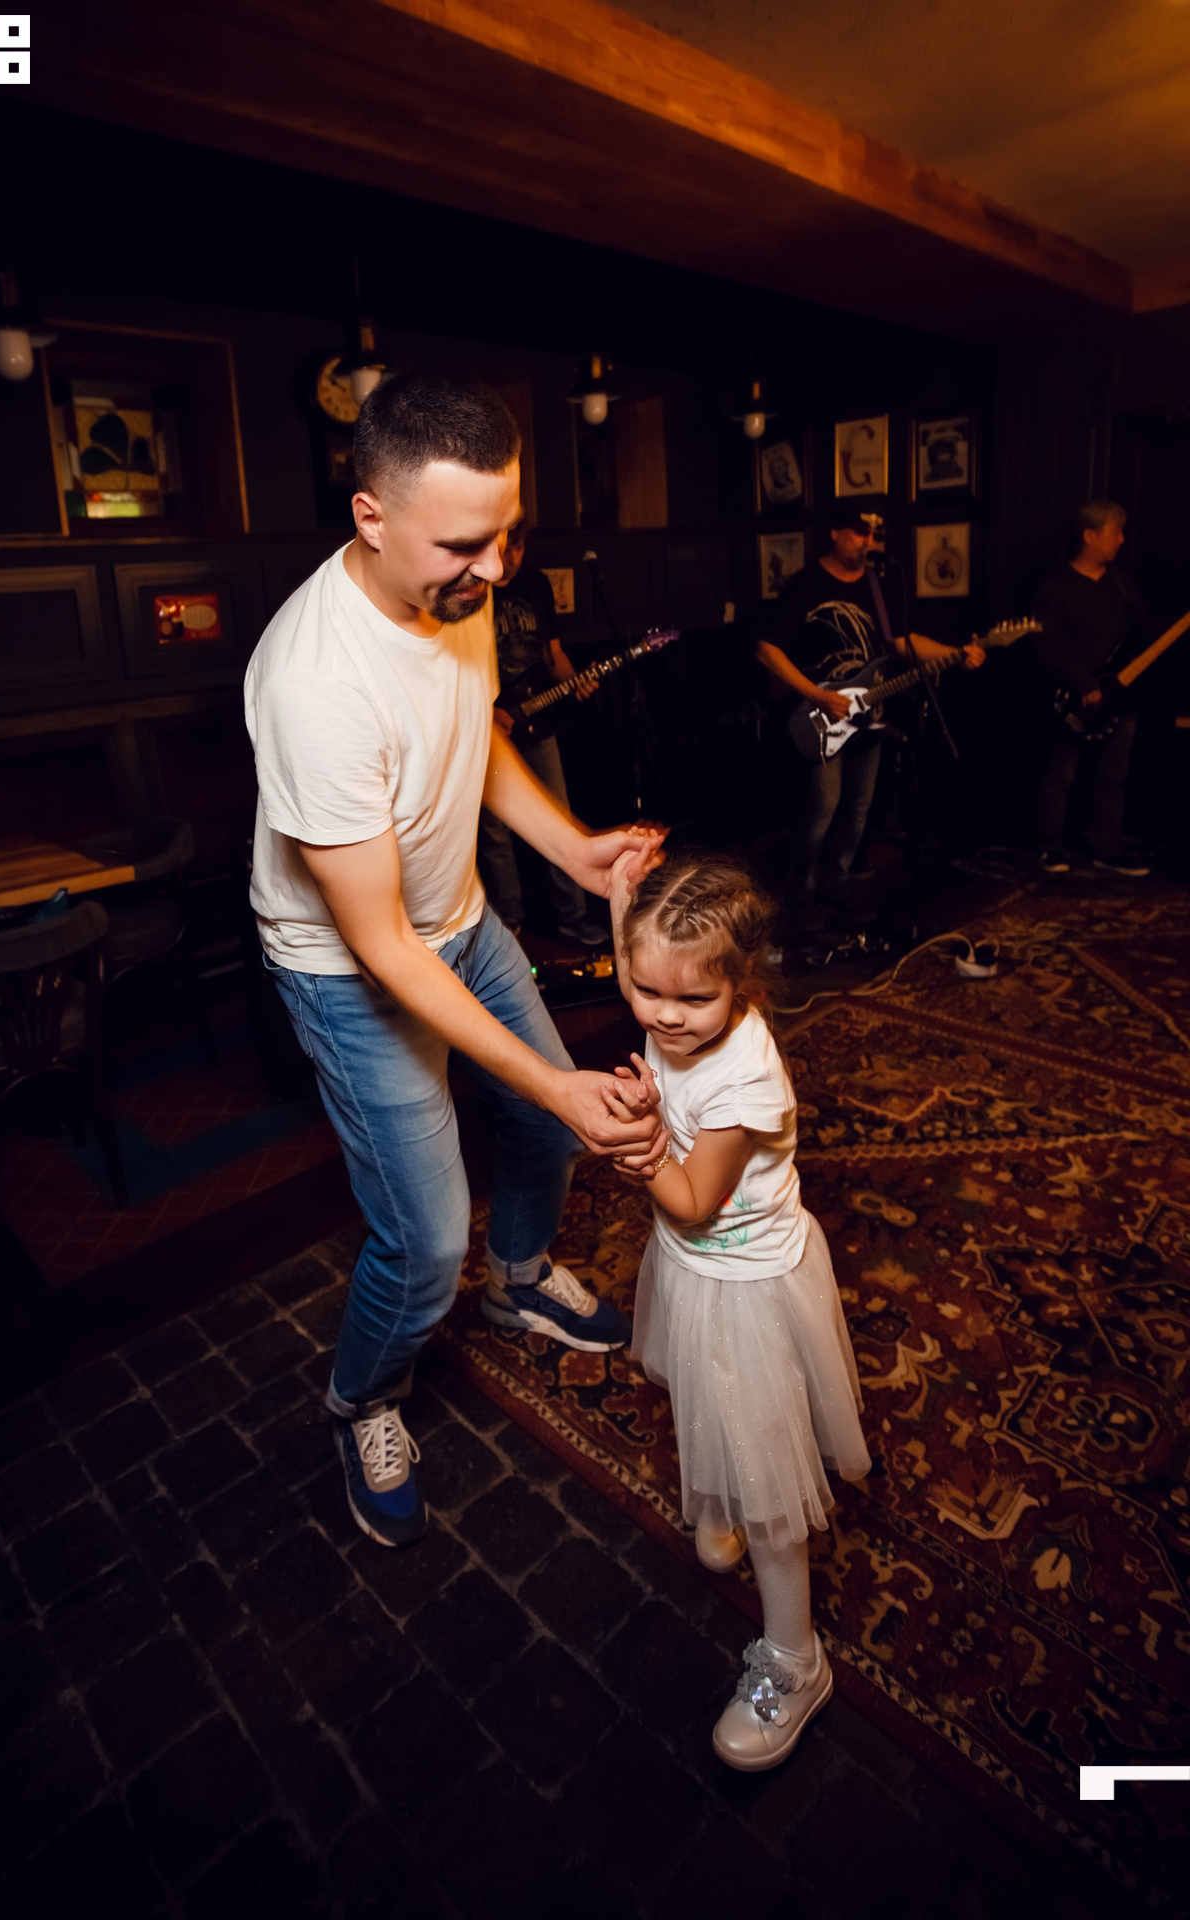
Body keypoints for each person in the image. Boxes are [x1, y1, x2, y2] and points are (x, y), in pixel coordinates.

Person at [244, 369, 663, 1549]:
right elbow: (378, 944)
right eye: (464, 545)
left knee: (538, 1134)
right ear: (370, 516)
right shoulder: (313, 682)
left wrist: (571, 849)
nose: (493, 569)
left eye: (505, 533)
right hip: (349, 970)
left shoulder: (460, 586)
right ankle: (360, 1401)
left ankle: (518, 1279)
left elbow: (467, 731)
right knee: (426, 1243)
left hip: (462, 923)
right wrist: (560, 1082)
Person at [603, 848, 870, 1770]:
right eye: (646, 990)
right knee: (702, 1398)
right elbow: (641, 970)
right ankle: (717, 1503)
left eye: (691, 999)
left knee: (766, 1475)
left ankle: (796, 1660)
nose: (661, 1017)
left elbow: (687, 1201)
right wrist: (620, 902)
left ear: (743, 985)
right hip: (693, 1273)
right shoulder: (667, 994)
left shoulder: (744, 1080)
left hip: (749, 1285)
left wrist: (640, 1140)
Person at [757, 505, 984, 914]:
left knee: (858, 809)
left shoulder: (879, 585)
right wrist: (816, 694)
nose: (869, 542)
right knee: (823, 808)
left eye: (876, 535)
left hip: (869, 716)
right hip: (824, 715)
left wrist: (956, 653)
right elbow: (766, 650)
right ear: (835, 532)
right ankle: (800, 894)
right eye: (861, 532)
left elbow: (902, 643)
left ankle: (837, 888)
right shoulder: (805, 584)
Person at [477, 514, 609, 944]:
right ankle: (510, 923)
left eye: (519, 548)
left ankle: (573, 914)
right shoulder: (471, 588)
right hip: (490, 725)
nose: (513, 558)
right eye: (506, 548)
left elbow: (553, 654)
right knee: (495, 832)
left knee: (557, 815)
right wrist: (485, 712)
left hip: (538, 719)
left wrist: (575, 681)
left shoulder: (536, 584)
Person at [1032, 500, 1151, 877]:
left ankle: (1107, 848)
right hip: (1073, 700)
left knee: (1114, 776)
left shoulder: (1121, 582)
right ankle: (1049, 847)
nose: (1122, 539)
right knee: (1060, 776)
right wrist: (1083, 682)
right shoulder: (1055, 587)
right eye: (1115, 531)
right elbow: (1043, 646)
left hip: (1120, 696)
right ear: (1089, 535)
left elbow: (1144, 631)